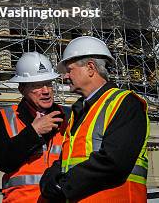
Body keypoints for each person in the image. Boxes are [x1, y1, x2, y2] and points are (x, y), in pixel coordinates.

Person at [40, 35, 150, 202]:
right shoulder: (80, 110)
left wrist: (63, 186)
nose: (64, 77)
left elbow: (114, 162)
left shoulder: (126, 103)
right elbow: (69, 159)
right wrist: (49, 178)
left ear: (90, 68)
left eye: (69, 70)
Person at [0, 51, 66, 202]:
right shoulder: (2, 119)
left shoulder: (69, 116)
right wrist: (33, 132)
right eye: (37, 85)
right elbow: (2, 161)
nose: (46, 91)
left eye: (49, 84)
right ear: (22, 89)